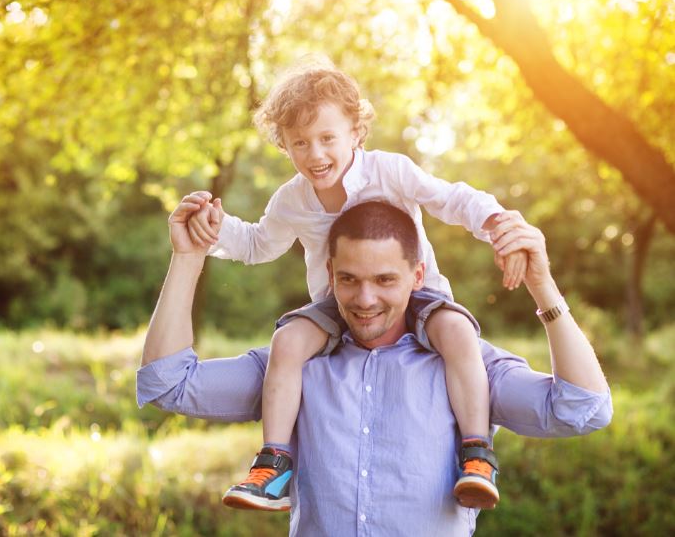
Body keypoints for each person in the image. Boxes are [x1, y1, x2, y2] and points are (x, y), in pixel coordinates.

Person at [138, 199, 611, 536]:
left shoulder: (465, 362)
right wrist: (187, 257)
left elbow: (582, 410)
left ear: (417, 275)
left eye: (385, 280)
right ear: (330, 273)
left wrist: (542, 286)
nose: (365, 300)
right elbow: (169, 385)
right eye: (349, 280)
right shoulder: (295, 362)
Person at [184, 58, 527, 510]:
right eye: (300, 143)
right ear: (284, 146)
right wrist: (215, 226)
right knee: (287, 340)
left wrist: (499, 225)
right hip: (337, 304)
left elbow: (452, 200)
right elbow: (256, 244)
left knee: (459, 333)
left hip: (415, 293)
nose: (316, 154)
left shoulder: (390, 171)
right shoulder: (292, 199)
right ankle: (273, 464)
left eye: (328, 138)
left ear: (355, 132)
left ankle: (478, 453)